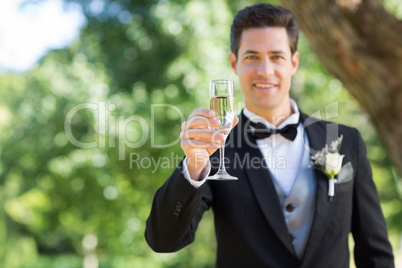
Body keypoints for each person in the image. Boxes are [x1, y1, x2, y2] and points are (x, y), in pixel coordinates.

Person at [145, 3, 395, 267]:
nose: (265, 71)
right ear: (234, 63)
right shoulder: (216, 147)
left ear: (294, 62)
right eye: (252, 57)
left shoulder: (347, 141)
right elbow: (163, 240)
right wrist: (194, 165)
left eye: (276, 56)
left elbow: (375, 253)